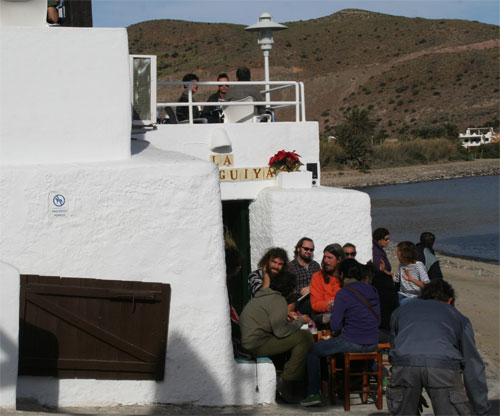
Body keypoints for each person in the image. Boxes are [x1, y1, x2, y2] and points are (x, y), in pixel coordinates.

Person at [387, 279, 490, 416]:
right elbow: (472, 365)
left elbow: (394, 347)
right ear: (449, 300)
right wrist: (480, 408)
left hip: (405, 363)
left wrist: (411, 389)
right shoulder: (458, 317)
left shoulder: (401, 310)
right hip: (443, 366)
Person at [301, 259, 381, 407]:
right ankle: (382, 378)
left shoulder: (343, 293)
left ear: (343, 274)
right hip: (373, 342)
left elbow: (335, 326)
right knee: (362, 346)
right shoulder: (372, 290)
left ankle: (313, 393)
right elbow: (378, 317)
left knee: (314, 351)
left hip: (352, 342)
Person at [239, 271, 313, 403]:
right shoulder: (278, 300)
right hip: (256, 345)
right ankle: (288, 381)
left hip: (249, 342)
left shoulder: (263, 296)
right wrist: (301, 321)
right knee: (304, 336)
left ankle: (285, 376)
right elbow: (281, 332)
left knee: (296, 337)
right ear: (290, 289)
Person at [309, 244, 344, 325]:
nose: (326, 261)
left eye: (330, 258)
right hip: (324, 316)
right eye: (325, 257)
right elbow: (315, 304)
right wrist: (331, 305)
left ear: (339, 259)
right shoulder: (317, 276)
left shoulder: (345, 276)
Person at [288, 237, 321, 315]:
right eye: (306, 249)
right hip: (298, 301)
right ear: (298, 249)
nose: (309, 252)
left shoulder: (315, 265)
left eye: (311, 250)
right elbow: (288, 289)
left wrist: (311, 288)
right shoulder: (290, 267)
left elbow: (321, 283)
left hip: (315, 298)